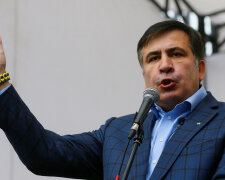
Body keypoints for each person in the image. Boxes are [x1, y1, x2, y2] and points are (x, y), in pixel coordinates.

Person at [0, 20, 225, 180]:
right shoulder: (118, 132)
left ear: (201, 68)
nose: (164, 65)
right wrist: (1, 82)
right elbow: (44, 154)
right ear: (144, 75)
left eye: (176, 54)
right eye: (153, 58)